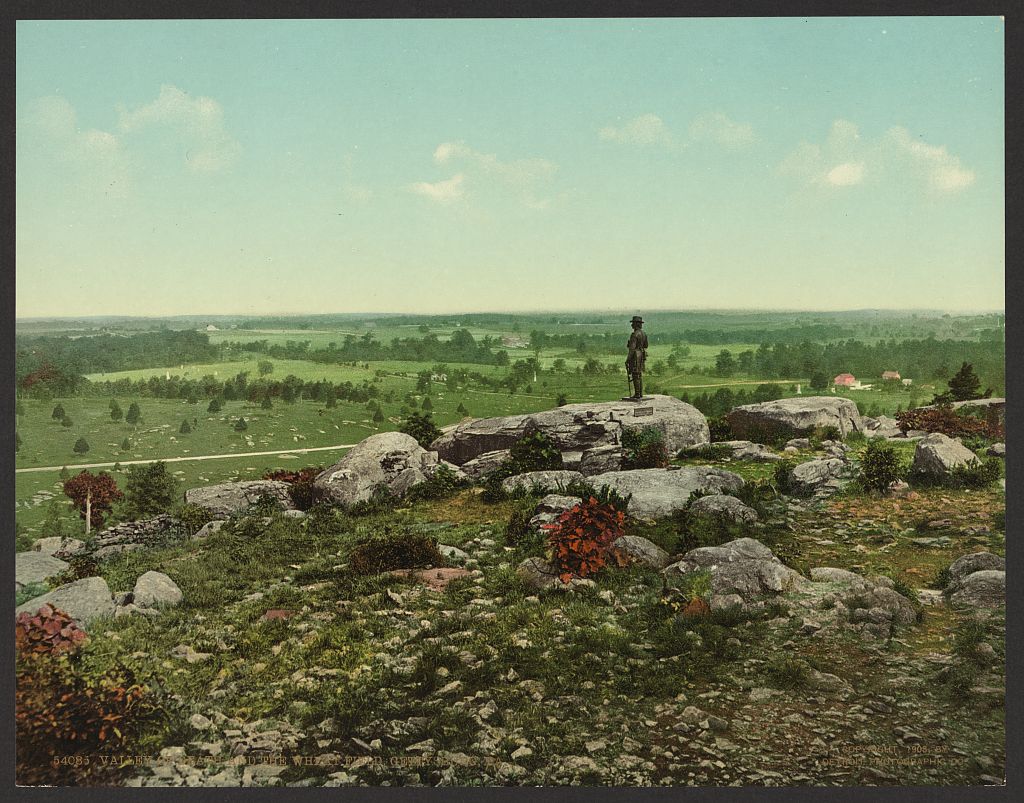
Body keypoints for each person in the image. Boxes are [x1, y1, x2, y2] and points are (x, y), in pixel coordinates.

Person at [626, 315, 648, 400]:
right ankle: (640, 393)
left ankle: (637, 394)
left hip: (635, 356)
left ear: (636, 324)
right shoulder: (644, 334)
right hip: (641, 355)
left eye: (633, 323)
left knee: (635, 374)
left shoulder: (634, 334)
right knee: (639, 374)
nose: (631, 325)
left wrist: (627, 359)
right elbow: (646, 345)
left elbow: (631, 349)